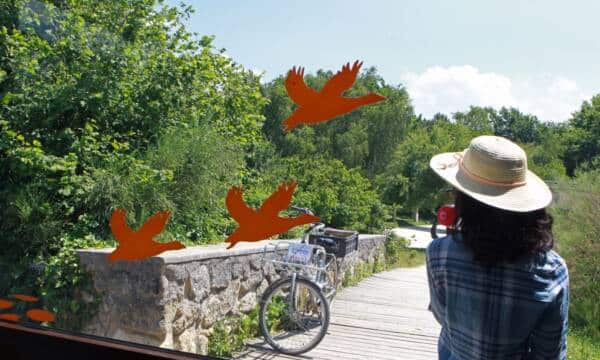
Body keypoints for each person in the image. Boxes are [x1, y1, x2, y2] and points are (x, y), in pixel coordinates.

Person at [426, 135, 569, 360]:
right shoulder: (552, 270)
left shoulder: (439, 253)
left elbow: (441, 315)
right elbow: (549, 353)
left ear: (464, 200)